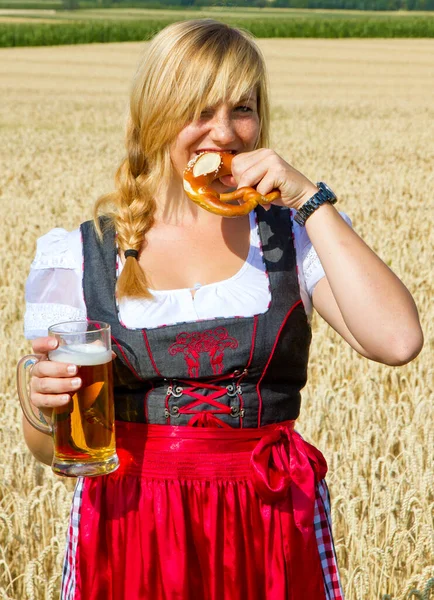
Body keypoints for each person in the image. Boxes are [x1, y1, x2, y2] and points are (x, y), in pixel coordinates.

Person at [21, 19, 423, 600]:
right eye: (200, 111)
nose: (226, 132)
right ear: (156, 115)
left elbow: (398, 340)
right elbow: (50, 449)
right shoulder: (80, 256)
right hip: (131, 525)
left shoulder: (290, 235)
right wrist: (39, 405)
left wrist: (309, 198)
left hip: (267, 521)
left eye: (243, 109)